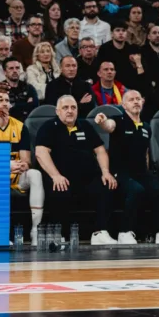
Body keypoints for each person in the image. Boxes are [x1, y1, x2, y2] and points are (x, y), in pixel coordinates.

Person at [93, 90, 159, 244]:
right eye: (131, 100)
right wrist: (102, 121)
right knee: (136, 190)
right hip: (120, 171)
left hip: (141, 172)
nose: (136, 102)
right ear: (124, 105)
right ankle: (125, 232)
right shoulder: (118, 120)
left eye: (138, 99)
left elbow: (145, 153)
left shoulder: (146, 127)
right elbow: (108, 126)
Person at [34, 95, 118, 245]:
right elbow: (41, 153)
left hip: (86, 177)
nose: (70, 111)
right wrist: (55, 175)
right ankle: (59, 235)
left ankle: (100, 232)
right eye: (65, 108)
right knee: (59, 189)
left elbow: (100, 150)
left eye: (73, 107)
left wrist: (105, 171)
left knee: (106, 185)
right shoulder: (48, 127)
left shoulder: (85, 125)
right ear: (57, 111)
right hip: (61, 176)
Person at [0, 92, 42, 245]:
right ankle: (0, 233)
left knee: (35, 174)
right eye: (0, 100)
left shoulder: (19, 126)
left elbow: (26, 160)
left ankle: (35, 230)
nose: (5, 103)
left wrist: (23, 164)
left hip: (17, 174)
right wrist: (5, 166)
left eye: (7, 100)